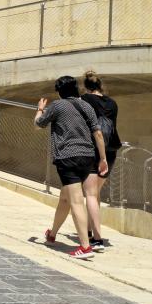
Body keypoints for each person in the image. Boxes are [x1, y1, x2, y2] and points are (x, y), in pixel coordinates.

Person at [35, 75, 108, 259]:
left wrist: (40, 110)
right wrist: (103, 158)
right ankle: (52, 234)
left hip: (67, 157)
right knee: (65, 199)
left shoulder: (57, 106)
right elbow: (98, 134)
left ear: (60, 91)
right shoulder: (86, 106)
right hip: (88, 157)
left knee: (76, 201)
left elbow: (38, 124)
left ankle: (85, 247)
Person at [78, 70, 121, 251]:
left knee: (90, 194)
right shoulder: (113, 103)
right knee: (95, 193)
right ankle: (89, 230)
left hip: (92, 150)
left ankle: (97, 238)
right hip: (110, 152)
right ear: (100, 85)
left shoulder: (84, 100)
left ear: (86, 87)